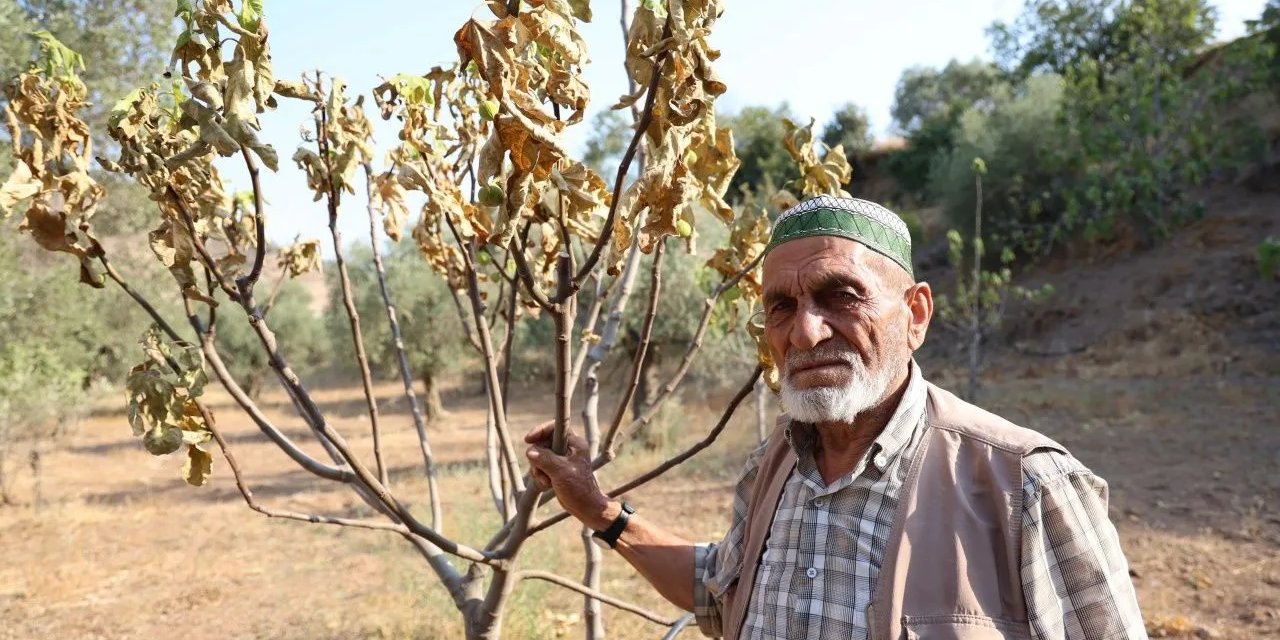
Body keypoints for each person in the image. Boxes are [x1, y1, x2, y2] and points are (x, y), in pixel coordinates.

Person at [525, 196, 1147, 639]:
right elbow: (722, 598)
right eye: (781, 306)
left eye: (840, 296)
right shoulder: (775, 465)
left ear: (916, 314)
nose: (806, 330)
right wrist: (598, 510)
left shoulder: (1025, 484)